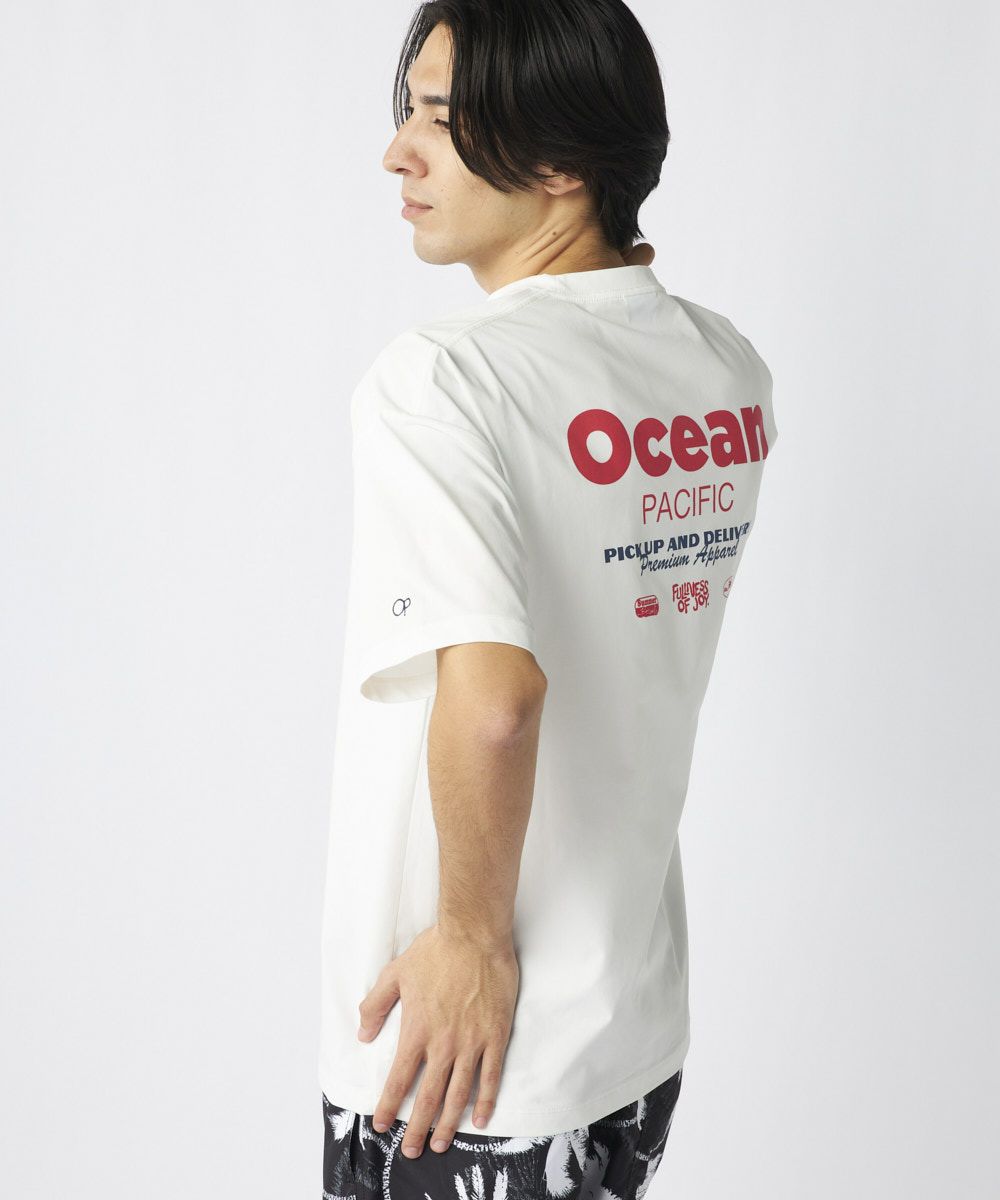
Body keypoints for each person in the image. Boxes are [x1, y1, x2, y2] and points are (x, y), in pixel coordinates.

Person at [319, 2, 778, 1196]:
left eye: (439, 118)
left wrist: (471, 943)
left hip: (462, 1067)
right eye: (406, 112)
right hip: (628, 1028)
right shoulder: (723, 370)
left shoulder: (445, 381)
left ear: (562, 163)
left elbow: (496, 703)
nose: (397, 153)